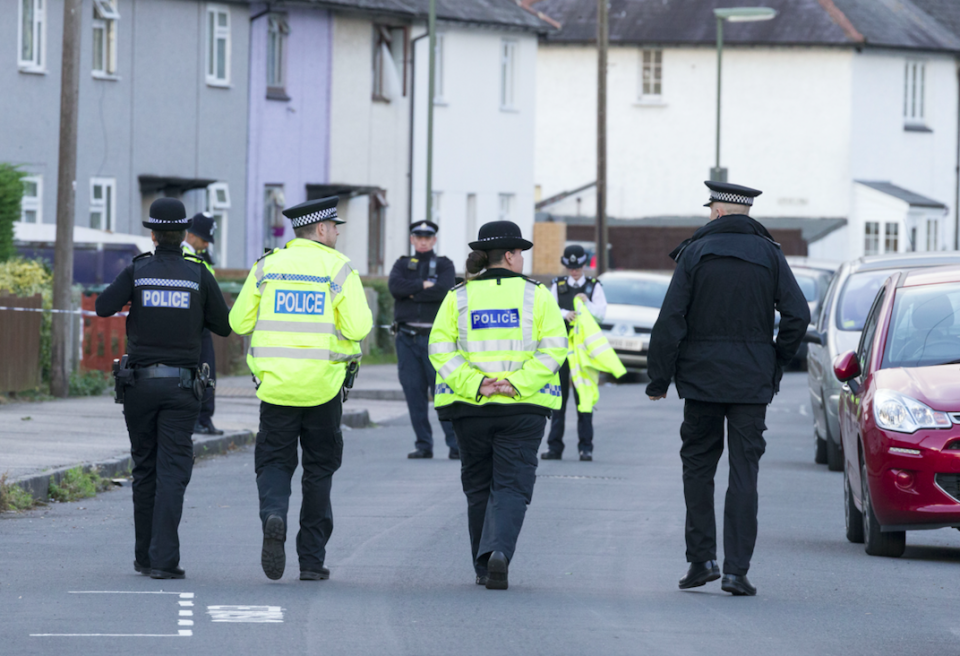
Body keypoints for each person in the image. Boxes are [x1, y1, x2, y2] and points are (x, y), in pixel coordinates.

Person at [645, 181, 809, 596]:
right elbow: (797, 315)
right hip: (751, 383)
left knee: (698, 467)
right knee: (744, 473)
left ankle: (701, 560)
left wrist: (659, 379)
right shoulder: (771, 255)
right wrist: (775, 362)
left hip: (700, 380)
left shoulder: (695, 253)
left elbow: (671, 320)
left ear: (717, 213)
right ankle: (737, 571)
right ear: (746, 212)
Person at [229, 196, 372, 582]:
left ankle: (274, 514)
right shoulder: (339, 269)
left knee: (274, 463)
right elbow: (359, 329)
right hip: (324, 388)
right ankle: (311, 561)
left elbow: (238, 322)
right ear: (322, 230)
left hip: (276, 389)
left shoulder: (266, 267)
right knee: (319, 471)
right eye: (335, 226)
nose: (339, 233)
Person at [96, 198, 231, 580]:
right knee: (172, 470)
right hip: (182, 388)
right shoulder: (198, 273)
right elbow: (223, 326)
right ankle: (164, 560)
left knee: (145, 469)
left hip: (138, 386)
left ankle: (143, 557)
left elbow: (104, 307)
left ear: (153, 234)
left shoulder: (138, 271)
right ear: (184, 235)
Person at [429, 221, 567, 590]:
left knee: (478, 486)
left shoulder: (458, 296)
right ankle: (498, 553)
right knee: (511, 486)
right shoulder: (537, 296)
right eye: (520, 252)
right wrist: (514, 383)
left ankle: (481, 564)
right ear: (508, 255)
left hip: (470, 407)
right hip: (522, 408)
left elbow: (440, 349)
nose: (522, 258)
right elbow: (555, 349)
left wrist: (478, 384)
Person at [388, 221, 458, 459]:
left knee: (443, 392)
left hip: (434, 339)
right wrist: (422, 285)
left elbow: (444, 290)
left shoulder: (444, 264)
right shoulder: (402, 263)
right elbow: (394, 287)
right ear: (412, 239)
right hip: (406, 338)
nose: (423, 241)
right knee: (413, 391)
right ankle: (423, 445)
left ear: (434, 240)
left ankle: (455, 445)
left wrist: (411, 293)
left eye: (428, 237)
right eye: (419, 237)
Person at [542, 244, 607, 461]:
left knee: (584, 399)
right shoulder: (557, 285)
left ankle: (586, 447)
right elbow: (548, 311)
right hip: (562, 349)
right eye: (571, 267)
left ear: (584, 265)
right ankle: (554, 447)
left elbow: (601, 315)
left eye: (578, 266)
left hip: (584, 352)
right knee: (558, 400)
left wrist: (586, 304)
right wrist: (564, 313)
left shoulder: (593, 286)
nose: (575, 271)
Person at [182, 212, 223, 435]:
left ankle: (205, 418)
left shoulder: (201, 255)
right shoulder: (186, 255)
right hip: (193, 324)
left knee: (207, 373)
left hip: (202, 323)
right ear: (191, 235)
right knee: (199, 373)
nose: (206, 243)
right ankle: (199, 419)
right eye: (204, 238)